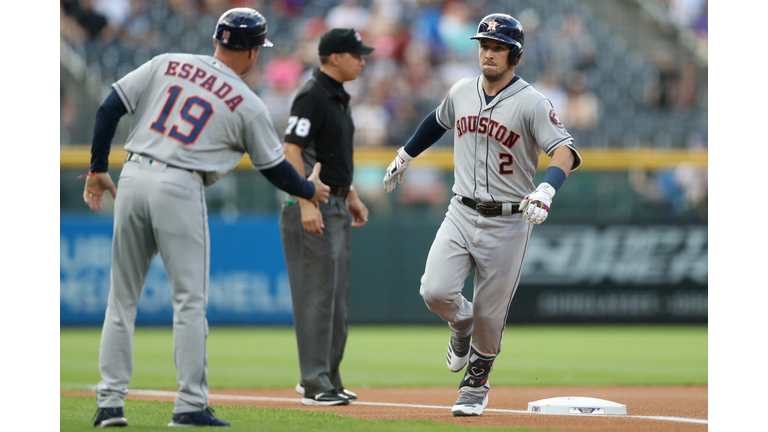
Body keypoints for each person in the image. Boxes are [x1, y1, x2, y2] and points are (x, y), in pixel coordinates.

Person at [84, 8, 330, 427]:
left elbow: (109, 108)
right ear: (252, 53)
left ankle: (109, 404)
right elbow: (274, 168)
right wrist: (310, 190)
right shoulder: (247, 103)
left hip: (133, 174)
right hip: (179, 186)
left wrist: (96, 167)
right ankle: (189, 405)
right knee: (189, 303)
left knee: (121, 299)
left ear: (217, 40)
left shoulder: (167, 62)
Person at [382, 13, 582, 417]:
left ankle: (475, 384)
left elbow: (564, 150)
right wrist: (406, 153)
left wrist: (547, 188)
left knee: (491, 314)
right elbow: (436, 121)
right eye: (484, 46)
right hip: (460, 209)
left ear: (515, 55)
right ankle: (462, 324)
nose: (488, 53)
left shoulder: (532, 102)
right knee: (434, 290)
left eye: (498, 48)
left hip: (509, 219)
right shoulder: (461, 90)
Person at [279, 28, 373, 407]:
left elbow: (331, 157)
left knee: (334, 301)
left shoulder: (337, 96)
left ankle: (328, 378)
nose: (362, 60)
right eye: (356, 54)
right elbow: (291, 149)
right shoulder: (313, 94)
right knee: (317, 298)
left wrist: (350, 194)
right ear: (335, 57)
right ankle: (313, 382)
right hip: (313, 205)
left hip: (335, 203)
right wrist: (305, 200)